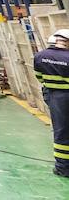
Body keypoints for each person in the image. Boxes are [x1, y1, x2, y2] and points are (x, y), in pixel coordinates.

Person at [32, 28, 69, 178]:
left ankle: (62, 167)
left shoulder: (40, 56)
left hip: (54, 96)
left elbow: (39, 77)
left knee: (61, 131)